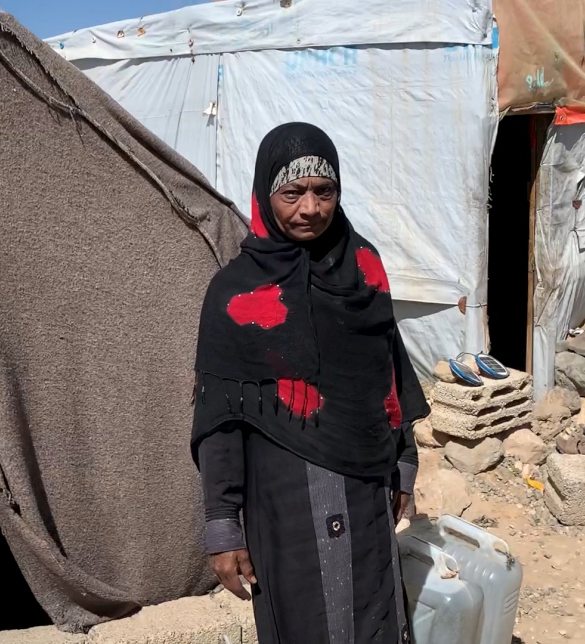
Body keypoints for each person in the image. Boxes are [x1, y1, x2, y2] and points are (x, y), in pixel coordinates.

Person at [191, 123, 430, 644]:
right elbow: (221, 421)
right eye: (291, 193)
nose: (310, 209)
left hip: (368, 484)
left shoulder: (363, 270)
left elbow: (386, 372)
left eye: (325, 192)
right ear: (264, 193)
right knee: (304, 620)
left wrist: (405, 462)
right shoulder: (234, 294)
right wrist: (222, 525)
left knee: (376, 614)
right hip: (286, 497)